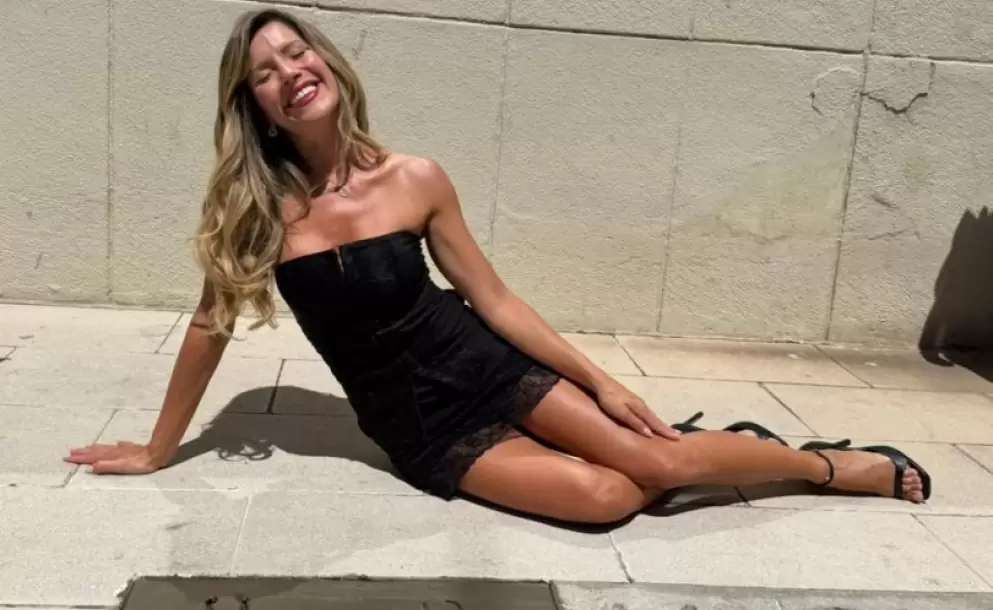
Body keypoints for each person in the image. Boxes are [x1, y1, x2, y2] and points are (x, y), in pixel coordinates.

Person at [64, 8, 930, 524]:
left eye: (296, 52)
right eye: (264, 72)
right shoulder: (255, 208)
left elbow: (492, 298)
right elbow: (210, 325)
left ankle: (824, 465)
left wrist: (601, 383)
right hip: (418, 422)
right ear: (253, 105)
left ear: (325, 61)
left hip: (488, 365)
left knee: (660, 467)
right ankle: (725, 451)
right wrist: (159, 448)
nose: (289, 72)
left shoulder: (414, 178)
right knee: (608, 498)